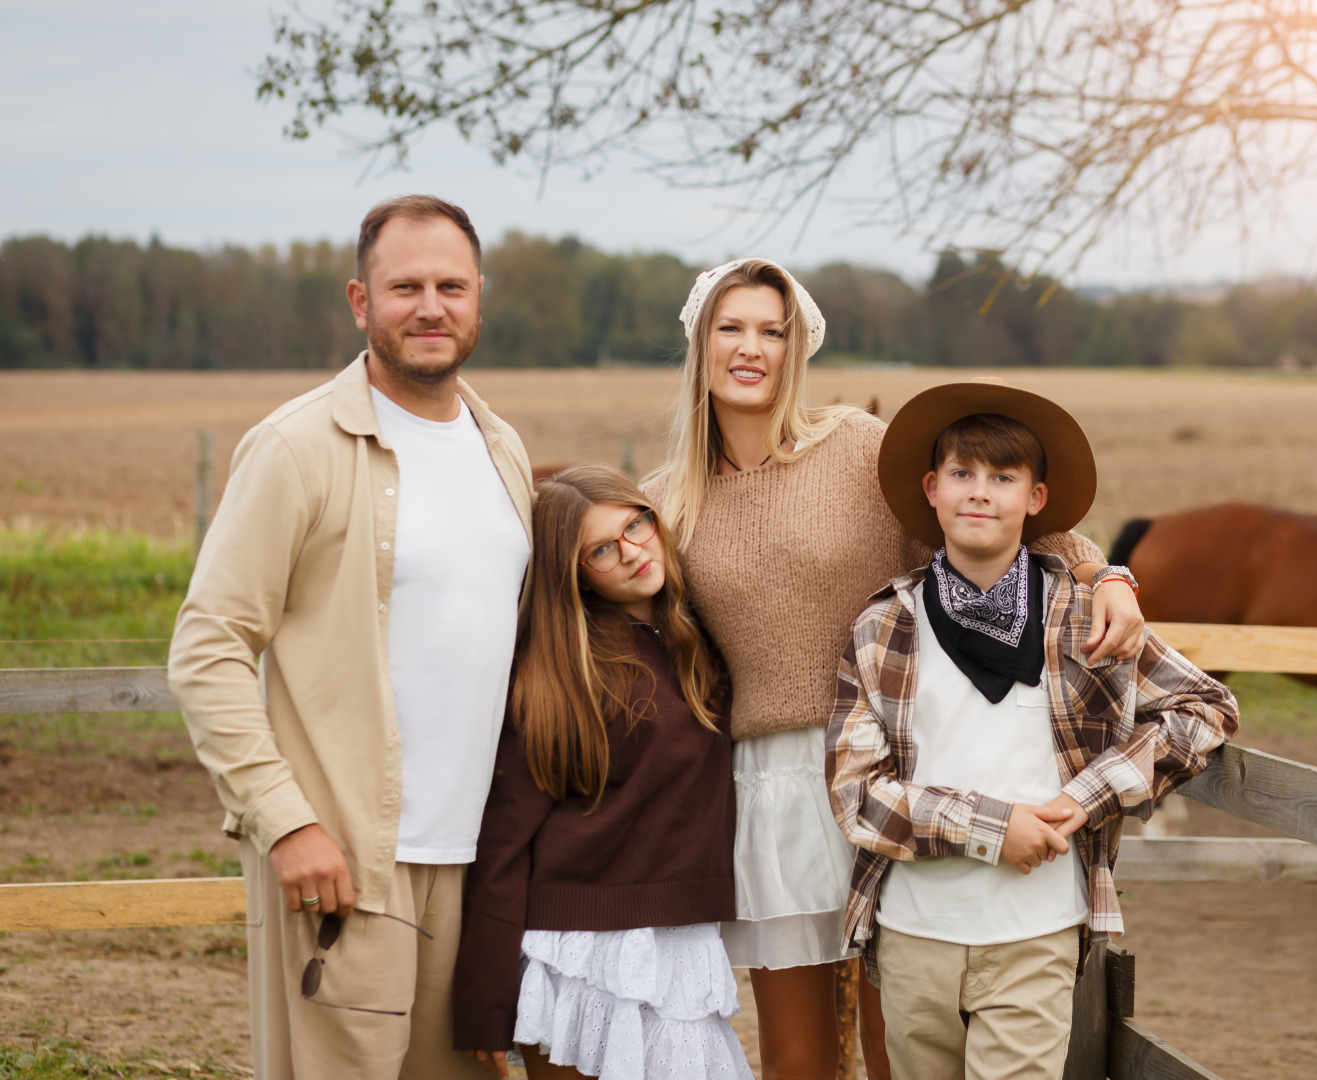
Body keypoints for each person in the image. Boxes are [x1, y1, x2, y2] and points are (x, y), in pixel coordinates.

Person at [639, 258, 1149, 1078]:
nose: (751, 348)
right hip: (774, 785)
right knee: (799, 1058)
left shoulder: (855, 448)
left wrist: (1110, 577)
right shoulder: (668, 502)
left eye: (773, 331)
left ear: (797, 348)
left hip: (904, 773)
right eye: (730, 329)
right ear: (698, 345)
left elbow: (1019, 531)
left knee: (901, 1040)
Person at [167, 195, 533, 1080]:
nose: (431, 306)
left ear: (480, 297)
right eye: (404, 286)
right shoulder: (296, 449)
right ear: (360, 303)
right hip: (347, 863)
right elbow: (208, 646)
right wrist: (286, 822)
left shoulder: (502, 448)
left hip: (477, 862)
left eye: (451, 285)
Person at [825, 380, 1241, 1080]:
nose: (979, 492)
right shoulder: (883, 627)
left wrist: (1086, 798)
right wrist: (991, 828)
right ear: (932, 488)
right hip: (913, 932)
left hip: (1036, 932)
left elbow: (1203, 710)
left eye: (1003, 477)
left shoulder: (1086, 616)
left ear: (1036, 499)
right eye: (961, 473)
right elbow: (856, 795)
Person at [452, 465, 747, 1080]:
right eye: (602, 550)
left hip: (681, 939)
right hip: (577, 950)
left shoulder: (699, 638)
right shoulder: (565, 675)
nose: (633, 551)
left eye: (637, 524)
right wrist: (485, 998)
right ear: (574, 575)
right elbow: (503, 841)